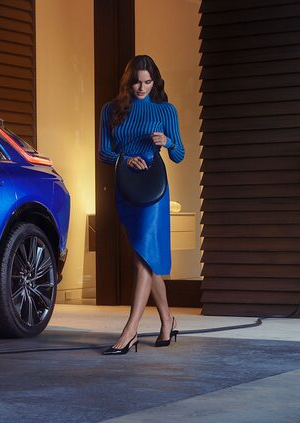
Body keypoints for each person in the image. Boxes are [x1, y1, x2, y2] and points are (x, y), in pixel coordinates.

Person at [98, 55, 186, 355]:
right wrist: (123, 157)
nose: (142, 87)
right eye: (137, 81)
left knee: (141, 259)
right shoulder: (111, 109)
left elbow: (180, 154)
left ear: (155, 82)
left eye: (148, 82)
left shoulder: (165, 110)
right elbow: (104, 151)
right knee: (145, 257)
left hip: (153, 187)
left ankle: (130, 330)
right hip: (126, 184)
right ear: (128, 80)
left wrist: (168, 142)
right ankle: (168, 319)